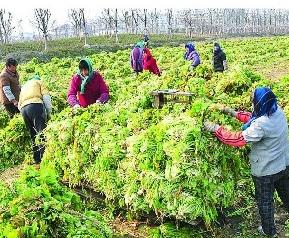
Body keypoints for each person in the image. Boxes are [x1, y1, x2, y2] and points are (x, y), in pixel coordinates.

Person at [204, 87, 289, 237]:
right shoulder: (277, 111)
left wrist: (217, 129)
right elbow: (254, 117)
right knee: (286, 192)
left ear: (259, 103)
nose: (252, 102)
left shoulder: (261, 125)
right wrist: (233, 113)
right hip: (283, 164)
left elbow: (237, 139)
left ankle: (269, 232)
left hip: (266, 170)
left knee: (265, 202)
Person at [18, 75, 52, 166]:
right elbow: (46, 97)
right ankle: (45, 158)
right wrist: (49, 113)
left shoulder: (24, 86)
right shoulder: (39, 82)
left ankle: (37, 159)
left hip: (24, 110)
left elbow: (19, 104)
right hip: (35, 106)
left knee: (33, 134)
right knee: (41, 132)